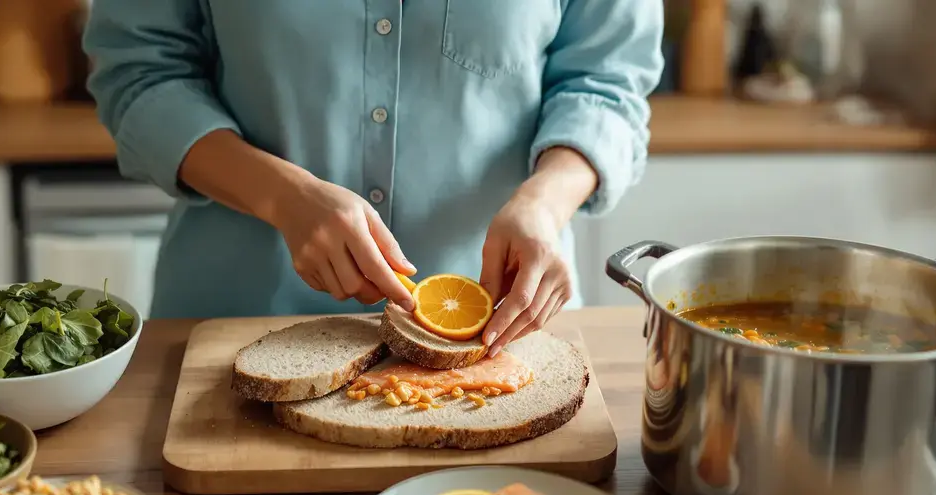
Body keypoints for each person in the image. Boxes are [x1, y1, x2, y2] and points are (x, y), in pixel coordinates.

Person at [84, 1, 663, 357]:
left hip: (501, 330)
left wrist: (544, 202)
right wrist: (284, 198)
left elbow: (606, 83)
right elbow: (140, 76)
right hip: (228, 322)